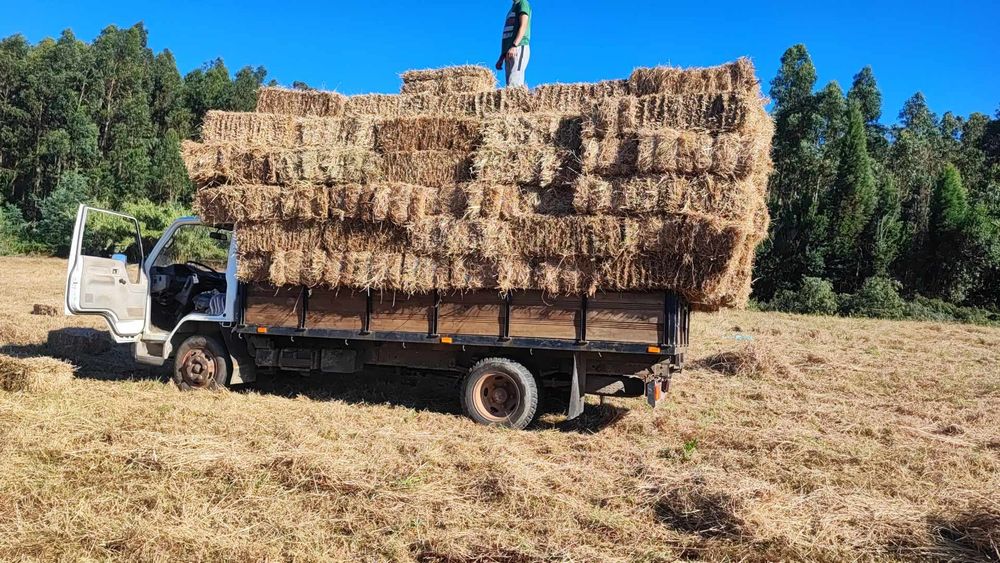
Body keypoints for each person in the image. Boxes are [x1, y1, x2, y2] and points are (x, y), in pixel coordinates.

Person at [495, 0, 532, 87]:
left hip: (519, 46)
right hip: (509, 51)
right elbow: (508, 34)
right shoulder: (511, 9)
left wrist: (515, 45)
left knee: (515, 83)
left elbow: (524, 25)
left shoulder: (523, 3)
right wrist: (502, 56)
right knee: (509, 85)